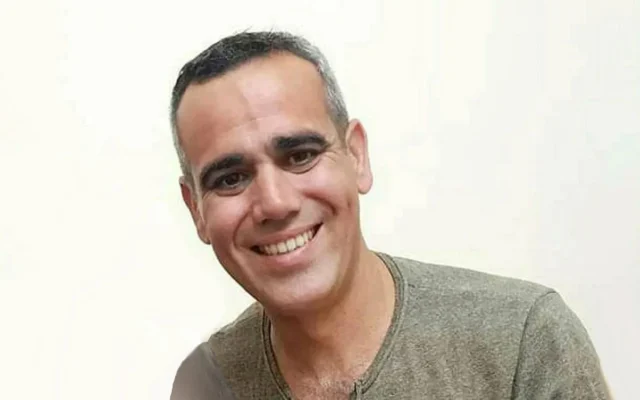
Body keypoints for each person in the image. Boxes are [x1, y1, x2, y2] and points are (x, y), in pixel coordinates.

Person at [169, 31, 610, 399]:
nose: (276, 203)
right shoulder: (206, 384)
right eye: (230, 178)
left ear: (357, 156)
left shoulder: (523, 341)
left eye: (301, 155)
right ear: (196, 210)